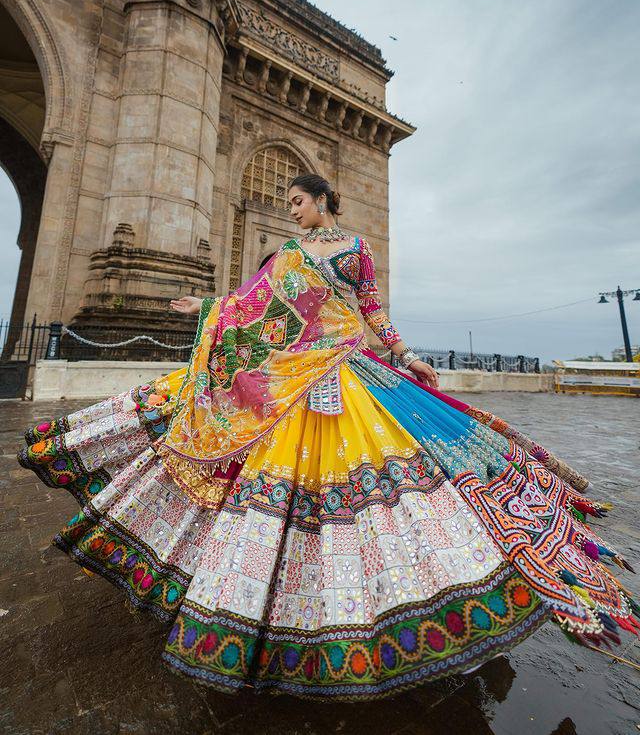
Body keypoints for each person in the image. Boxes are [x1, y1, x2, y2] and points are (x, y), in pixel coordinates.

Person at [18, 173, 638, 701]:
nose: (291, 208)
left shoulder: (354, 250)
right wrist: (209, 306)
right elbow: (254, 305)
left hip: (345, 373)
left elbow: (373, 311)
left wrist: (407, 354)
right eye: (287, 202)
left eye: (298, 200)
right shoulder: (289, 255)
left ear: (322, 201)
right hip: (294, 377)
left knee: (392, 478)